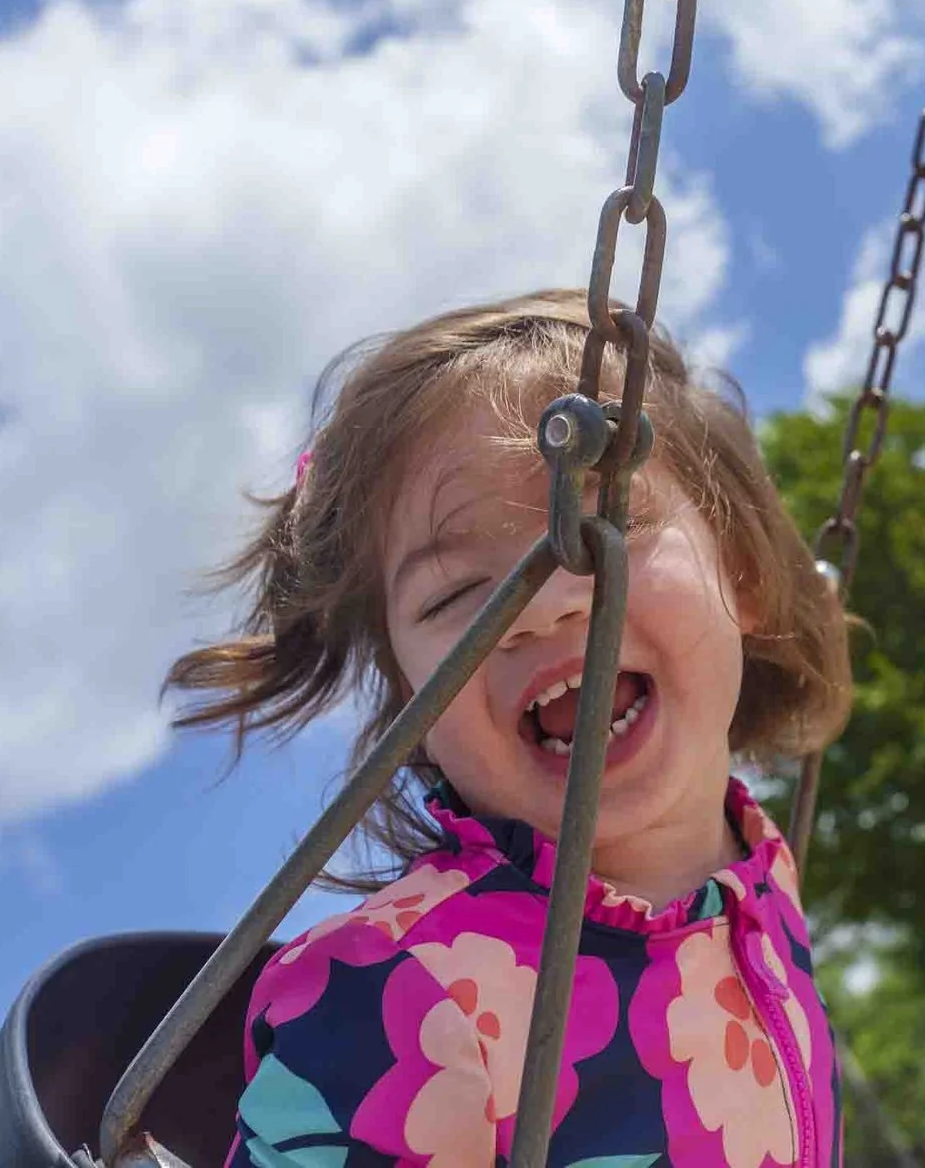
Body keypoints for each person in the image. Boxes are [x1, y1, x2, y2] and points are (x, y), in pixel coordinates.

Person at [170, 291, 853, 1168]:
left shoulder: (763, 868)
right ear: (413, 709)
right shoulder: (394, 991)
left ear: (743, 572)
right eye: (459, 595)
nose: (544, 599)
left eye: (607, 525)